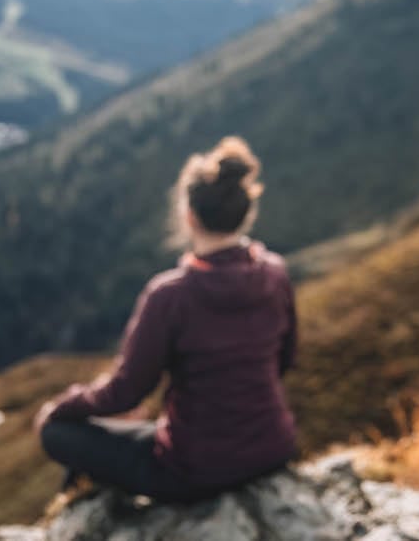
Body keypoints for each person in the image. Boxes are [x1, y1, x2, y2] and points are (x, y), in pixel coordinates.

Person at [35, 136, 298, 503]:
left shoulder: (171, 295)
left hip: (195, 470)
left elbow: (126, 391)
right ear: (245, 213)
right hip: (274, 447)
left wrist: (61, 406)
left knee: (57, 433)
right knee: (139, 430)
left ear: (189, 217)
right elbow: (284, 360)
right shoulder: (275, 273)